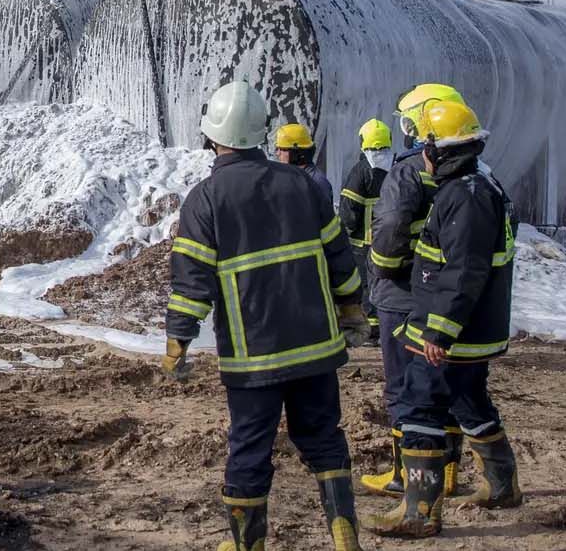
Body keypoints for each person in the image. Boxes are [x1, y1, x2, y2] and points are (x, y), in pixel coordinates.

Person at [162, 81, 370, 551]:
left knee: (250, 449)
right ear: (260, 133)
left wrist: (177, 341)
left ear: (211, 135)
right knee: (322, 437)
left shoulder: (206, 199)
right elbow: (341, 257)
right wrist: (352, 308)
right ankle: (344, 533)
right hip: (316, 348)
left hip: (253, 357)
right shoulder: (301, 184)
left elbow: (191, 282)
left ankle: (246, 544)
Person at [369, 98, 522, 538]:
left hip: (451, 330)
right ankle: (502, 485)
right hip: (470, 330)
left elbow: (464, 271)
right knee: (468, 401)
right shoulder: (477, 186)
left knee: (420, 405)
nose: (422, 155)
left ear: (440, 149)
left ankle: (419, 512)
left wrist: (438, 329)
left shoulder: (465, 196)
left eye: (425, 147)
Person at [361, 82, 476, 499]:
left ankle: (403, 474)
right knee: (441, 386)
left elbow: (390, 230)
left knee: (404, 388)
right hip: (445, 297)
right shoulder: (472, 172)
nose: (407, 130)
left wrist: (382, 267)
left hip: (402, 296)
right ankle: (446, 473)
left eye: (411, 121)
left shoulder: (408, 171)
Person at [339, 119, 394, 342]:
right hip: (390, 239)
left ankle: (370, 331)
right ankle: (386, 325)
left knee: (366, 285)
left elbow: (349, 210)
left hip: (364, 242)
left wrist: (345, 233)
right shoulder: (397, 166)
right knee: (385, 283)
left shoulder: (362, 171)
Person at [274, 122, 332, 202]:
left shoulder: (317, 183)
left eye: (282, 149)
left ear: (296, 153)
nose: (277, 153)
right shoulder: (289, 177)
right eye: (277, 149)